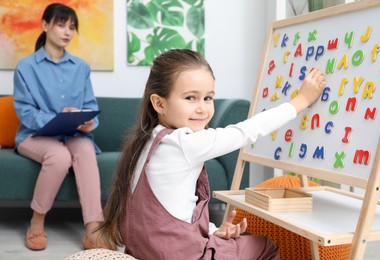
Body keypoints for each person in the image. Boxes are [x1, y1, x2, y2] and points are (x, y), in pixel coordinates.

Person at [98, 49, 326, 259]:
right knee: (265, 246)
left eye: (208, 98)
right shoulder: (183, 143)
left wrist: (213, 231)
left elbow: (172, 212)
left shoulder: (149, 140)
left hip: (151, 252)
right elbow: (244, 132)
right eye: (190, 98)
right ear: (159, 103)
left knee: (236, 243)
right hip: (181, 256)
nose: (202, 108)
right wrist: (301, 100)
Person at [13, 3, 107, 251]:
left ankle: (94, 228)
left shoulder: (81, 67)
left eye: (72, 27)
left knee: (85, 150)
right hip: (35, 136)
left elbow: (89, 105)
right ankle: (37, 220)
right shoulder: (26, 67)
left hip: (73, 134)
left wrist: (88, 123)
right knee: (58, 155)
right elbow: (25, 112)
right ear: (45, 26)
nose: (67, 31)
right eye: (61, 24)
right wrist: (56, 118)